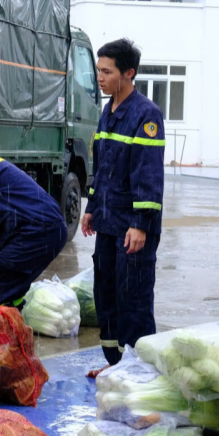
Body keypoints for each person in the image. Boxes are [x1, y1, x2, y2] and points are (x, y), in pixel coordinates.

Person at [82, 38, 165, 377]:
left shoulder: (146, 115)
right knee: (107, 294)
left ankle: (140, 370)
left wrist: (141, 223)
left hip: (131, 226)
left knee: (133, 298)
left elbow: (147, 174)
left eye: (107, 71)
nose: (100, 77)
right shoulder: (109, 111)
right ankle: (116, 365)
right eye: (99, 70)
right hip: (107, 221)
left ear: (128, 73)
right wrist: (90, 206)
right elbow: (101, 166)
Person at [0, 157, 69, 308]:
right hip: (44, 227)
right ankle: (13, 320)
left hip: (39, 230)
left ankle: (1, 321)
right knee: (6, 292)